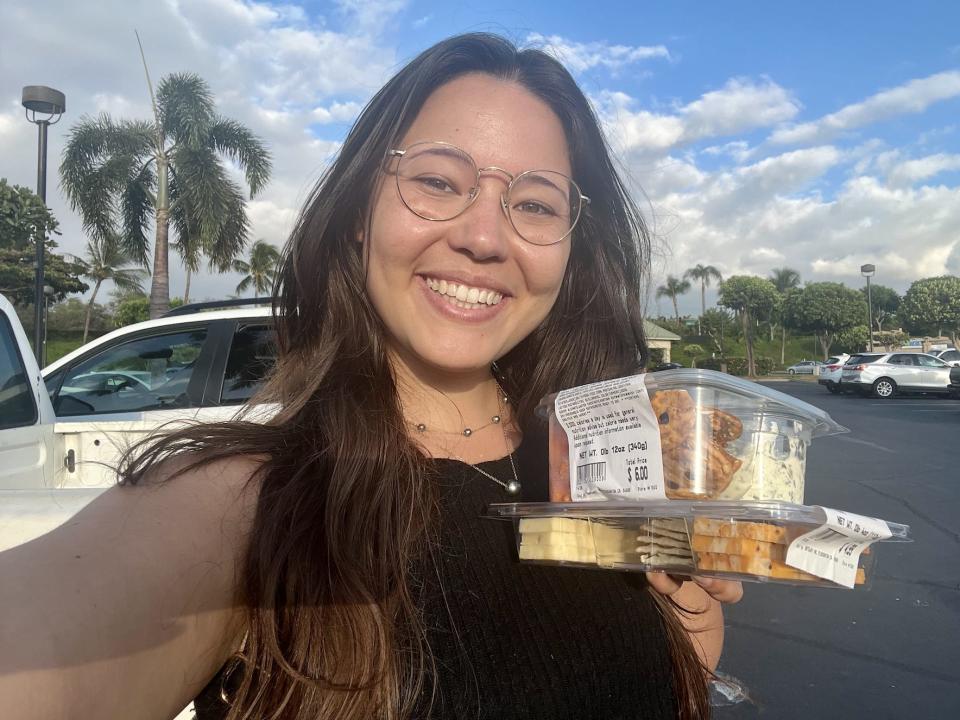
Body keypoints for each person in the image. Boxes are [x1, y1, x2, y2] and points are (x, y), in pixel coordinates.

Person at [0, 33, 741, 720]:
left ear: (572, 252)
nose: (484, 237)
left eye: (536, 204)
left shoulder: (602, 466)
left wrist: (681, 626)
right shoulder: (251, 508)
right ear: (359, 215)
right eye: (439, 182)